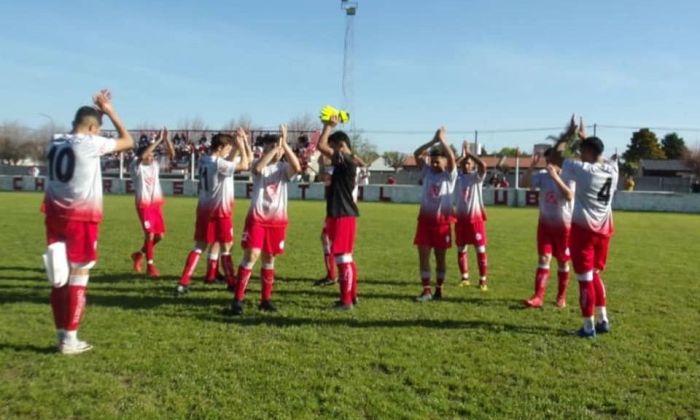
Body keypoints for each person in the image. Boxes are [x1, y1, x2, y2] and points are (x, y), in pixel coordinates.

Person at [42, 89, 134, 354]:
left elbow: (80, 133)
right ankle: (70, 339)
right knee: (79, 274)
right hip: (81, 217)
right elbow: (127, 141)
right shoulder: (90, 143)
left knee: (58, 275)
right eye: (96, 128)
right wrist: (111, 111)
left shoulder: (55, 140)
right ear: (93, 127)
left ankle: (61, 333)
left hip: (53, 213)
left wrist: (97, 113)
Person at [554, 118, 619, 338]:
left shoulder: (583, 169)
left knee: (584, 279)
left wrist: (568, 135)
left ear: (588, 152)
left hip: (584, 233)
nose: (580, 155)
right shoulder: (613, 168)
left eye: (583, 151)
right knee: (596, 275)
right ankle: (603, 319)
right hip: (605, 231)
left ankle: (588, 326)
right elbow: (598, 157)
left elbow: (556, 157)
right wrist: (584, 138)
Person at [229, 125, 301, 315]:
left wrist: (284, 145)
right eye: (273, 147)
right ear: (267, 149)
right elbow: (260, 167)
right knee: (251, 256)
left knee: (269, 258)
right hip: (257, 219)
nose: (277, 151)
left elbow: (298, 167)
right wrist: (272, 151)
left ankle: (265, 299)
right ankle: (238, 299)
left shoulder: (284, 168)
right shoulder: (259, 166)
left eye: (278, 147)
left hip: (277, 222)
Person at [175, 129, 250, 295]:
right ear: (220, 147)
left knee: (199, 246)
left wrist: (235, 147)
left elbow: (228, 162)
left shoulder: (204, 160)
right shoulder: (218, 163)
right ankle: (231, 282)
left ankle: (183, 282)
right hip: (220, 211)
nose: (229, 152)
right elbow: (244, 165)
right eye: (228, 149)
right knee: (226, 247)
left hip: (203, 210)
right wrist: (242, 146)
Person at [521, 148, 574, 308]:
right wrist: (532, 166)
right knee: (543, 258)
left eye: (552, 160)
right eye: (547, 161)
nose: (548, 164)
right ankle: (538, 297)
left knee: (563, 263)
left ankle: (561, 297)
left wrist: (556, 177)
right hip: (545, 225)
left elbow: (569, 195)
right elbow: (524, 184)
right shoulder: (542, 176)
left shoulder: (569, 176)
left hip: (564, 228)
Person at [316, 115, 360, 310]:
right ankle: (352, 295)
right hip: (340, 213)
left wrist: (327, 126)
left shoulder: (347, 159)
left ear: (341, 146)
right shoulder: (347, 162)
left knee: (342, 258)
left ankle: (346, 301)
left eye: (333, 148)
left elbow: (320, 145)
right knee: (346, 258)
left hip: (343, 213)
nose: (330, 152)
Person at [412, 127, 457, 301]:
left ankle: (439, 288)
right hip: (424, 222)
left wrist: (443, 141)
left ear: (445, 162)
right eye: (433, 161)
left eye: (438, 162)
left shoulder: (450, 175)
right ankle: (426, 290)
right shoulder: (427, 171)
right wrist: (433, 141)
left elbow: (452, 158)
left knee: (440, 258)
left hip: (442, 224)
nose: (434, 165)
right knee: (423, 255)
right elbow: (417, 154)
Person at [129, 128, 175, 278]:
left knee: (160, 236)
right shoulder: (136, 166)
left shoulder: (154, 165)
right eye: (150, 153)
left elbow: (172, 154)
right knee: (149, 234)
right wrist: (157, 141)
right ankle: (150, 266)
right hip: (143, 205)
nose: (152, 156)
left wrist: (166, 140)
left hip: (155, 205)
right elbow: (142, 155)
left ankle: (139, 254)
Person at [454, 141, 490, 291]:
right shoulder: (458, 178)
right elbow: (451, 166)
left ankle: (482, 281)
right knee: (461, 249)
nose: (466, 166)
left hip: (475, 220)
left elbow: (483, 165)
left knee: (480, 250)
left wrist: (469, 154)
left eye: (469, 163)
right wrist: (462, 156)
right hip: (460, 220)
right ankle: (465, 278)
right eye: (464, 163)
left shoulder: (477, 177)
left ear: (473, 165)